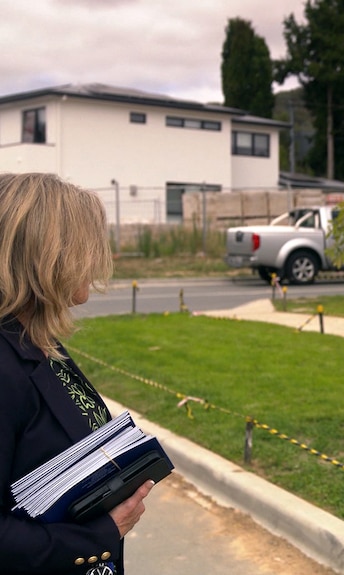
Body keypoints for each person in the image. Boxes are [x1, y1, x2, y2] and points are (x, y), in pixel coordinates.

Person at [0, 172, 154, 575]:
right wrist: (100, 536)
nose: (101, 258)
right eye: (88, 244)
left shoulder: (35, 339)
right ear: (46, 254)